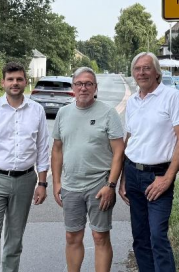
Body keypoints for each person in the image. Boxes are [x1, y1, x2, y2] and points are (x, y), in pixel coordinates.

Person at [0, 62, 50, 272]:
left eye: (19, 79)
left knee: (15, 239)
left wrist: (42, 183)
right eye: (10, 79)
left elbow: (42, 148)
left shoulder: (37, 110)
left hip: (25, 180)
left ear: (25, 82)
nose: (15, 83)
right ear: (3, 82)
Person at [119, 52, 179, 272]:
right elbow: (129, 140)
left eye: (146, 68)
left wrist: (168, 177)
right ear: (133, 73)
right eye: (137, 69)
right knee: (140, 237)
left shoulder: (171, 97)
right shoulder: (132, 102)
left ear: (157, 72)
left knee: (157, 236)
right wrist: (123, 178)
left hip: (158, 176)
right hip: (132, 174)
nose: (141, 73)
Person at [51, 67, 125, 272]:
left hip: (99, 186)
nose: (83, 88)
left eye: (88, 84)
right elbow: (57, 149)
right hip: (71, 185)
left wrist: (111, 185)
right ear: (73, 87)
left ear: (95, 87)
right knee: (72, 236)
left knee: (100, 236)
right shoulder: (63, 113)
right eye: (79, 84)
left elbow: (119, 151)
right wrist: (57, 182)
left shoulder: (108, 113)